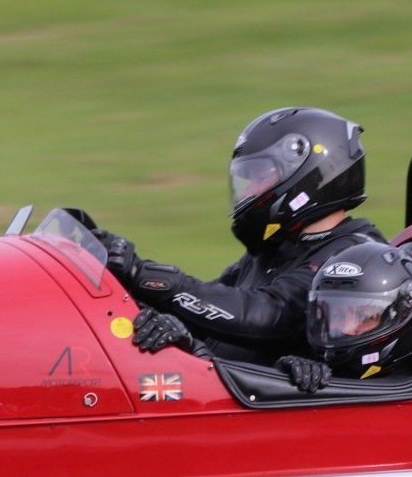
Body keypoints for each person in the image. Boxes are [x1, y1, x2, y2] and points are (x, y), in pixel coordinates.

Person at [97, 108, 384, 365]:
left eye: (260, 177)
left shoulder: (353, 256)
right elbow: (212, 303)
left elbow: (271, 315)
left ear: (311, 176)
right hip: (220, 389)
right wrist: (160, 313)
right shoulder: (276, 248)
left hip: (272, 407)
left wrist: (148, 276)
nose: (248, 192)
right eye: (246, 180)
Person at [277, 242, 412, 393]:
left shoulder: (404, 394)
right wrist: (282, 375)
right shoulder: (318, 367)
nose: (345, 328)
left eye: (364, 317)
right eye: (337, 315)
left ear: (402, 316)